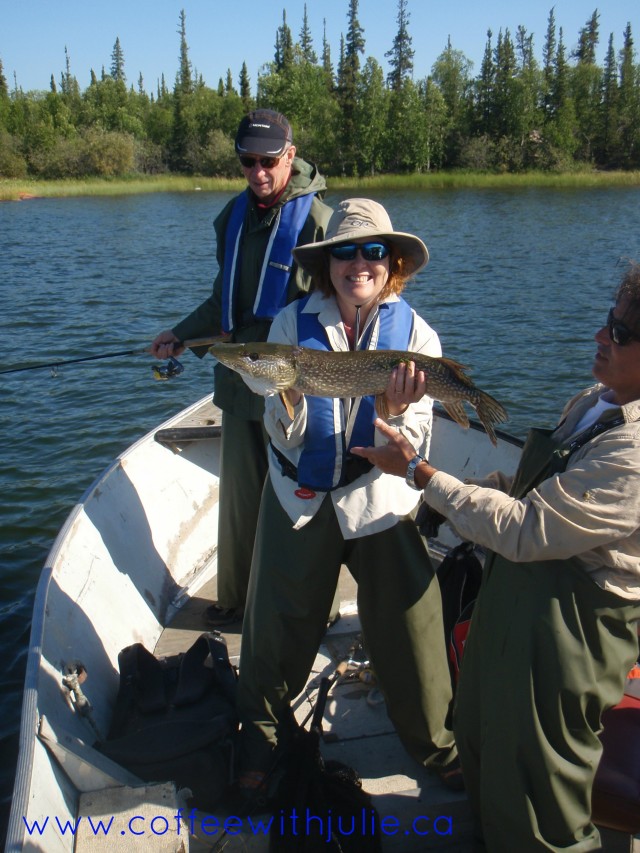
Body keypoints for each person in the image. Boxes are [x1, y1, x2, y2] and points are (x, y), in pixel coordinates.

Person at [351, 260, 640, 852]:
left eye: (621, 334)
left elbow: (527, 529)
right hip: (517, 606)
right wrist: (456, 491)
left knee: (538, 787)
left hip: (569, 631)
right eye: (609, 323)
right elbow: (535, 489)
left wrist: (420, 474)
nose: (600, 337)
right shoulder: (596, 401)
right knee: (483, 739)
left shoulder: (634, 455)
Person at [235, 198, 459, 796]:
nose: (359, 263)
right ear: (327, 262)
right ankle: (261, 735)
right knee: (274, 623)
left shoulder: (417, 336)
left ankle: (435, 744)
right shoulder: (289, 328)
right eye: (345, 252)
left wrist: (394, 417)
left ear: (393, 263)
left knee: (415, 622)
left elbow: (418, 437)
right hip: (300, 492)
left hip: (378, 495)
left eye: (373, 251)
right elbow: (279, 425)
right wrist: (292, 400)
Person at [151, 109, 335, 627]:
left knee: (301, 496)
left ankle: (297, 607)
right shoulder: (232, 217)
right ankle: (236, 601)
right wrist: (180, 335)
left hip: (298, 386)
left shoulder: (321, 223)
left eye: (268, 161)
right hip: (238, 382)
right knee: (239, 502)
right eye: (247, 162)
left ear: (290, 156)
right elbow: (223, 302)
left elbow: (339, 309)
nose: (258, 172)